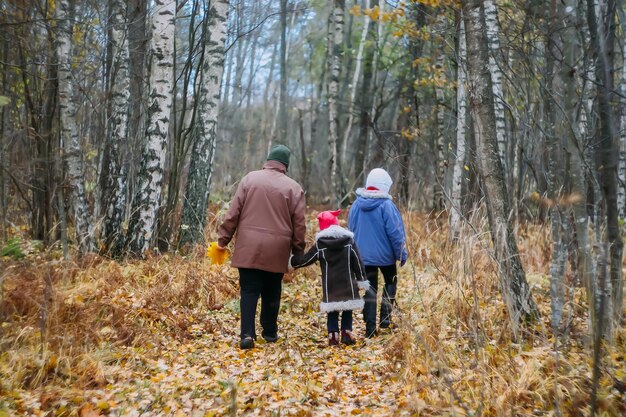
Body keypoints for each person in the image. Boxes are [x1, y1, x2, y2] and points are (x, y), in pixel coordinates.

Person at [217, 144, 306, 349]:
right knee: (272, 290)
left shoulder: (249, 179)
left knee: (249, 290)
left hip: (248, 246)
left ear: (268, 160)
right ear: (286, 165)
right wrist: (298, 250)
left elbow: (233, 213)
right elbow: (299, 223)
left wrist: (223, 240)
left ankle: (247, 335)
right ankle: (270, 332)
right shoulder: (293, 187)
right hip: (277, 249)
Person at [290, 210, 369, 346]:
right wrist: (362, 279)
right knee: (347, 307)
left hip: (330, 284)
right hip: (347, 282)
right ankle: (346, 331)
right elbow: (357, 261)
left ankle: (333, 335)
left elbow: (307, 259)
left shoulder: (321, 244)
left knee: (332, 310)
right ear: (336, 224)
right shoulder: (348, 241)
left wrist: (293, 262)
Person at [348, 168, 408, 338]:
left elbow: (350, 229)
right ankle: (386, 319)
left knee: (370, 289)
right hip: (386, 257)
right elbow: (395, 233)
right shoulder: (387, 205)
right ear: (384, 186)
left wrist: (352, 254)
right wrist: (401, 253)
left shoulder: (356, 205)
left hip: (363, 257)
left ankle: (370, 328)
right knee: (391, 281)